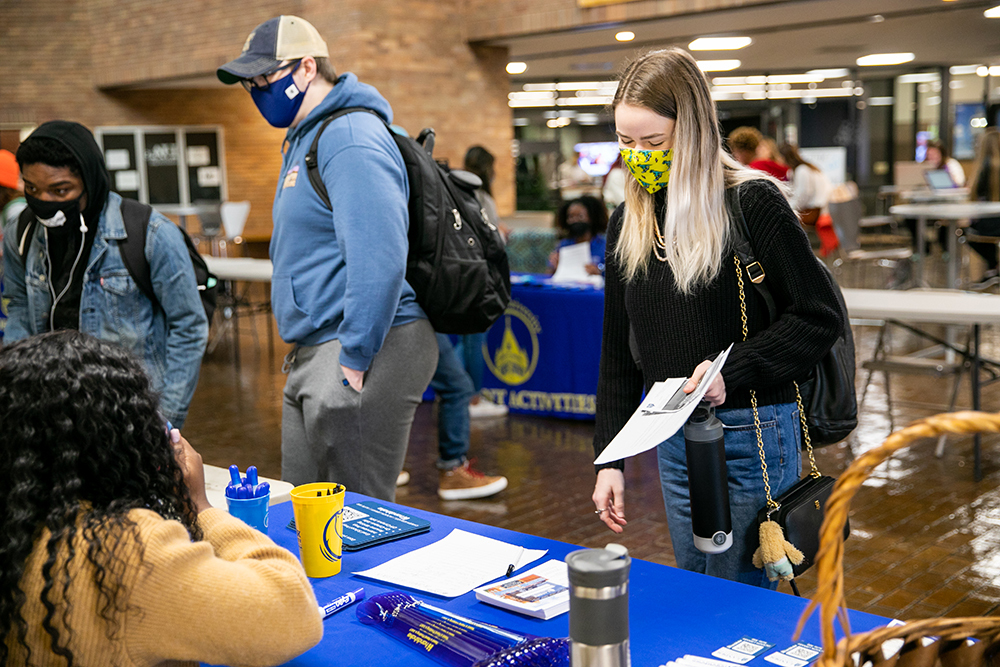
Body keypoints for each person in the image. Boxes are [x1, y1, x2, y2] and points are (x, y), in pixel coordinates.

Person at [591, 48, 843, 588]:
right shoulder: (627, 222)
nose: (638, 156)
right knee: (696, 583)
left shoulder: (752, 204)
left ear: (696, 131)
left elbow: (819, 318)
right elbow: (617, 351)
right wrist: (609, 460)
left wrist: (734, 371)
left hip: (751, 431)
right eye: (625, 142)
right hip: (671, 435)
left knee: (743, 592)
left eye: (654, 143)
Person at [0, 330, 322, 665]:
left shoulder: (18, 528)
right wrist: (199, 505)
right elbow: (294, 613)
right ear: (123, 439)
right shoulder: (124, 550)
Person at [217, 16, 437, 500]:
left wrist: (355, 356)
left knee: (355, 519)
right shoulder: (303, 139)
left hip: (362, 345)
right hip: (319, 348)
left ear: (307, 68)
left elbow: (378, 255)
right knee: (306, 512)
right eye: (249, 84)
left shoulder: (349, 136)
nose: (256, 91)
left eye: (264, 80)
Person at [2, 121, 207, 428]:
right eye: (32, 189)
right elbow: (19, 306)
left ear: (91, 180)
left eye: (60, 190)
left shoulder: (152, 234)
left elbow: (188, 326)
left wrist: (165, 419)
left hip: (129, 414)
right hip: (49, 410)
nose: (45, 202)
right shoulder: (21, 232)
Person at [428, 333, 509, 499]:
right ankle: (452, 471)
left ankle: (452, 469)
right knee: (456, 387)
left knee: (456, 386)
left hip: (413, 317)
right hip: (411, 316)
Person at [462, 145, 509, 419]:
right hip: (481, 276)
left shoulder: (456, 191)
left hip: (462, 276)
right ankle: (473, 398)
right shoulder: (482, 198)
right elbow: (492, 241)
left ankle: (456, 390)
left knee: (464, 340)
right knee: (474, 339)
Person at [966, 129, 1000, 279]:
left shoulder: (984, 167)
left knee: (964, 232)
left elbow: (975, 195)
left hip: (988, 226)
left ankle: (993, 266)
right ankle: (994, 269)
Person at [549, 195, 608, 276]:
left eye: (580, 216)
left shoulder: (605, 246)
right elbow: (548, 275)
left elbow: (616, 278)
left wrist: (599, 271)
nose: (575, 220)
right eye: (570, 216)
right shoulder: (564, 245)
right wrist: (554, 266)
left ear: (591, 218)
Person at [779, 143, 831, 226]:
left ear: (784, 157)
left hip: (814, 211)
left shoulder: (802, 170)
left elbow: (803, 195)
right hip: (813, 209)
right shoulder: (797, 170)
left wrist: (788, 208)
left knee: (782, 221)